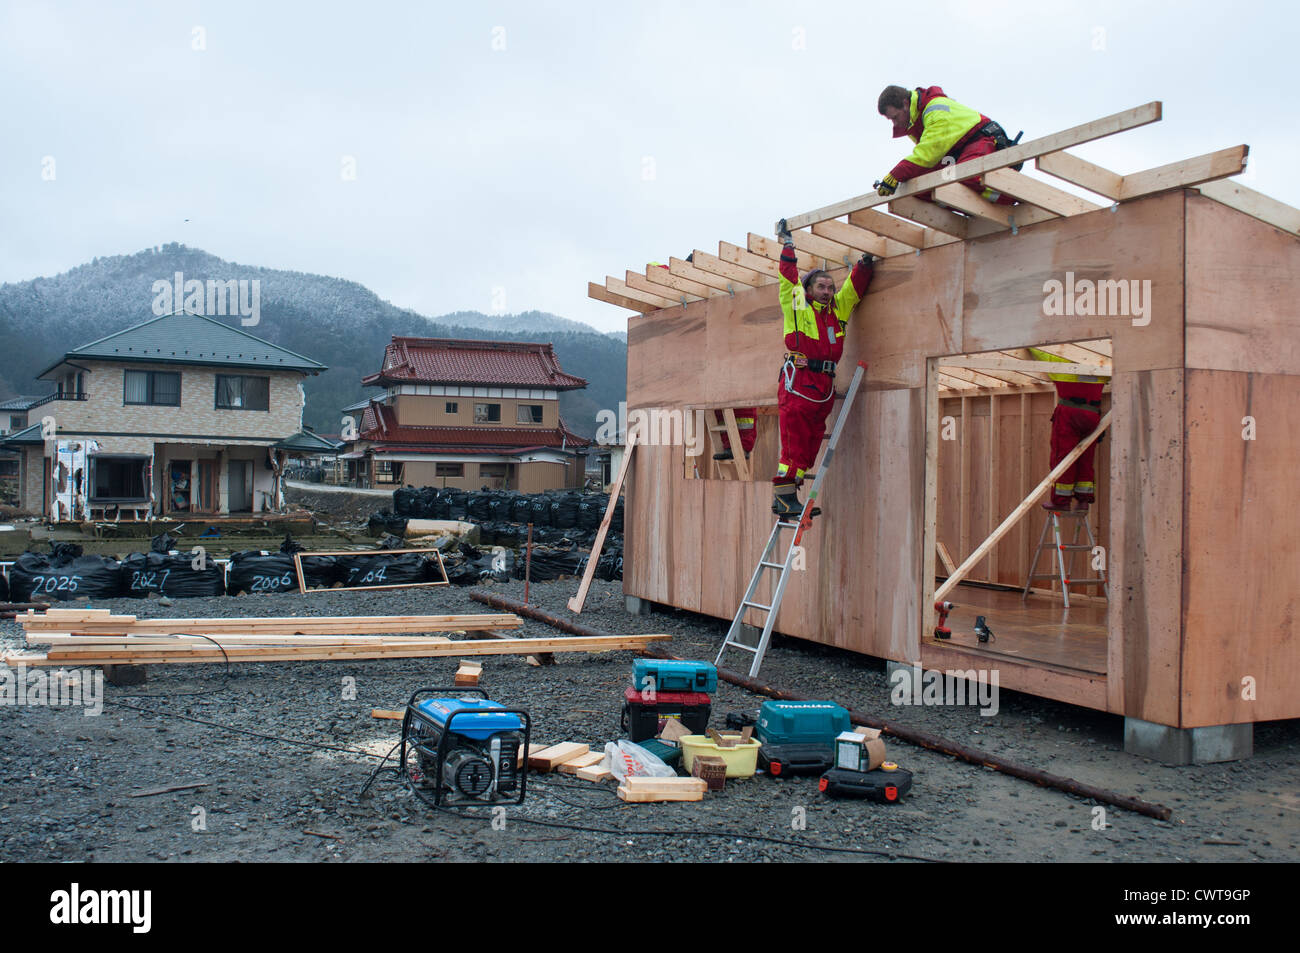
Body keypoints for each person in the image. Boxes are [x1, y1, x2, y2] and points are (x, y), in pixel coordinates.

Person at [771, 219, 875, 516]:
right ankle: (783, 497)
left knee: (812, 441)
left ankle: (790, 496)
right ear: (808, 289)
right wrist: (788, 246)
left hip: (823, 388)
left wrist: (865, 265)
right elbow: (787, 280)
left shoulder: (836, 312)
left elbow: (852, 292)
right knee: (794, 444)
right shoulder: (797, 306)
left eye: (830, 287)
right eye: (821, 286)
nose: (827, 291)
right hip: (798, 385)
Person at [874, 85, 1020, 205]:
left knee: (970, 174)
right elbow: (928, 160)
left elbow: (927, 154)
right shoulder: (915, 121)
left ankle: (1015, 196)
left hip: (981, 139)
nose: (895, 123)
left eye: (895, 117)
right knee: (919, 187)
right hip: (959, 152)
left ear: (905, 104)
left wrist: (896, 174)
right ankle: (965, 212)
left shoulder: (935, 111)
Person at [1030, 348, 1109, 510]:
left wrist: (1031, 344)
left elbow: (1043, 354)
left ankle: (1061, 501)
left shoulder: (1062, 361)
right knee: (1086, 458)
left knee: (1062, 456)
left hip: (1069, 414)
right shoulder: (1100, 362)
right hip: (1092, 415)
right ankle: (1083, 500)